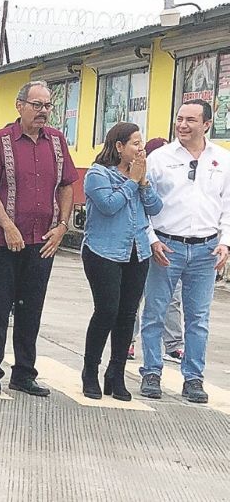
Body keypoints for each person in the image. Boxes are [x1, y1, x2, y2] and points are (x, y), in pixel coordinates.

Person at [0, 80, 78, 397]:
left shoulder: (57, 142)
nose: (43, 112)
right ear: (20, 106)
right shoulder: (1, 141)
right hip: (4, 241)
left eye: (48, 105)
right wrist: (7, 225)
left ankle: (24, 373)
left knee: (31, 308)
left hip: (42, 240)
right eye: (37, 105)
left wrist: (62, 226)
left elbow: (66, 185)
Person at [139, 99, 230, 404]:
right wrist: (152, 239)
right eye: (179, 119)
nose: (182, 125)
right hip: (167, 246)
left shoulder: (223, 160)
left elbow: (228, 206)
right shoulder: (160, 158)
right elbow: (144, 202)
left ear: (207, 124)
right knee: (154, 312)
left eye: (191, 120)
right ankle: (151, 372)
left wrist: (225, 241)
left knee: (199, 318)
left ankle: (193, 378)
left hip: (205, 250)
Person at [80, 123, 162, 401]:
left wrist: (143, 182)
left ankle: (115, 373)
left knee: (128, 314)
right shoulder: (97, 174)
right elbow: (108, 205)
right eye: (135, 144)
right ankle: (90, 370)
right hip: (103, 251)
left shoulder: (138, 176)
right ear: (118, 147)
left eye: (142, 144)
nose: (141, 149)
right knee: (106, 310)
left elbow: (155, 208)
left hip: (137, 251)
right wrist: (130, 182)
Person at [129, 137, 184, 362]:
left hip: (172, 244)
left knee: (173, 297)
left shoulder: (179, 176)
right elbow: (142, 210)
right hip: (144, 241)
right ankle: (128, 341)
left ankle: (173, 343)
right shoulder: (143, 174)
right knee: (134, 296)